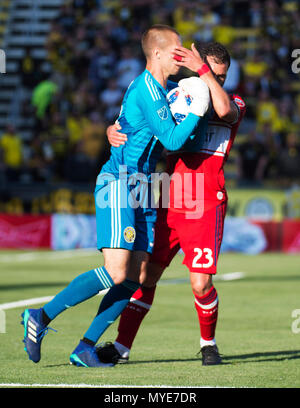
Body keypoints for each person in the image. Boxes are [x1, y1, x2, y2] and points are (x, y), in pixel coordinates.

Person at [21, 25, 210, 367]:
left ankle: (85, 347)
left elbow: (129, 123)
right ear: (156, 53)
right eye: (176, 50)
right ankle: (40, 316)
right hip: (119, 183)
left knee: (137, 276)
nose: (180, 55)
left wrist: (114, 127)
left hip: (142, 189)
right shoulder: (148, 89)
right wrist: (197, 109)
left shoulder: (165, 90)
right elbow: (170, 139)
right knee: (116, 271)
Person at [97, 41, 246, 366]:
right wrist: (113, 129)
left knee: (200, 281)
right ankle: (121, 348)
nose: (218, 82)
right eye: (213, 74)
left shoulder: (232, 102)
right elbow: (137, 122)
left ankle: (209, 344)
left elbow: (222, 111)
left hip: (206, 203)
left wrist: (207, 78)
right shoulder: (175, 98)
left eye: (222, 77)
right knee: (145, 275)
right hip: (169, 198)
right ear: (194, 68)